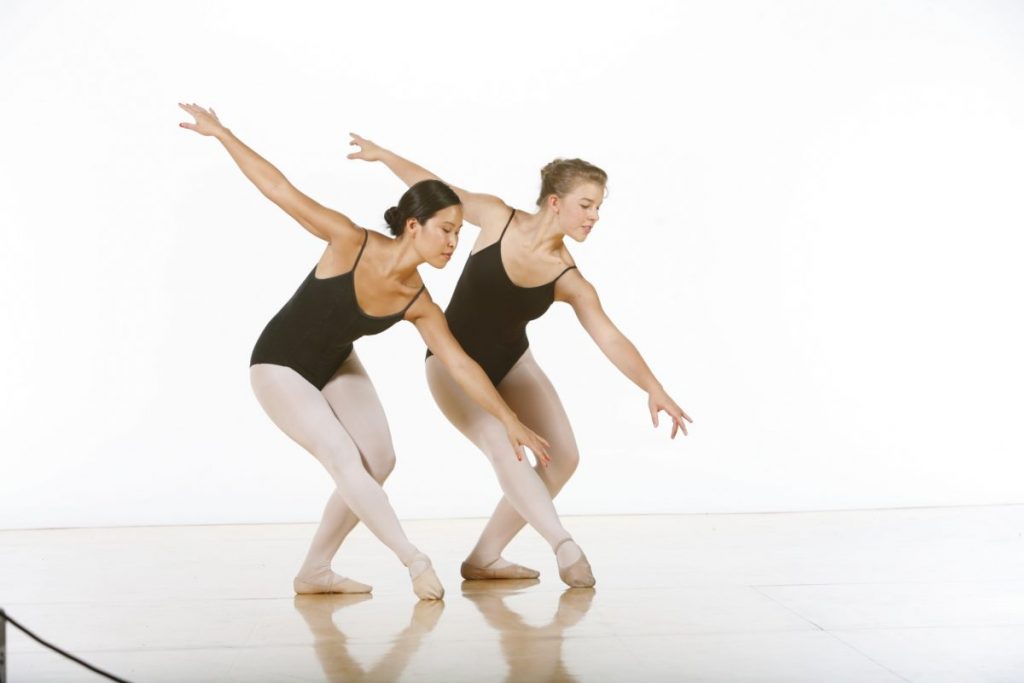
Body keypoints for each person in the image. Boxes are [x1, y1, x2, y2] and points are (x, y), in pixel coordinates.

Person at [177, 103, 550, 601]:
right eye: (446, 229)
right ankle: (413, 559)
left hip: (335, 362)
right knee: (341, 456)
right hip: (278, 362)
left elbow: (460, 363)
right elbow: (280, 189)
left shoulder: (419, 302)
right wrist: (222, 133)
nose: (454, 242)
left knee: (379, 457)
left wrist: (509, 419)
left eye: (460, 233)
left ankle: (315, 570)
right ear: (413, 226)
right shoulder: (349, 242)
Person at [348, 134, 693, 588]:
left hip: (513, 363)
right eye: (586, 205)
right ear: (555, 202)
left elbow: (608, 335)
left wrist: (653, 387)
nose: (594, 216)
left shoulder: (567, 277)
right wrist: (384, 156)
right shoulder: (497, 218)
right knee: (501, 441)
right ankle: (563, 544)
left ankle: (484, 557)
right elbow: (438, 189)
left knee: (563, 457)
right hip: (452, 366)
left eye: (597, 207)